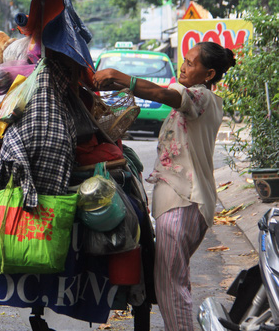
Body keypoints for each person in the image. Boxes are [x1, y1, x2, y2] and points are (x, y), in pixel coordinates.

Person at [93, 42, 236, 331]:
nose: (184, 66)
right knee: (169, 281)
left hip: (185, 201)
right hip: (184, 203)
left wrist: (121, 77)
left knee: (171, 285)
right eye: (184, 60)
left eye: (191, 63)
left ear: (209, 74)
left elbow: (162, 94)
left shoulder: (199, 98)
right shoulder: (200, 100)